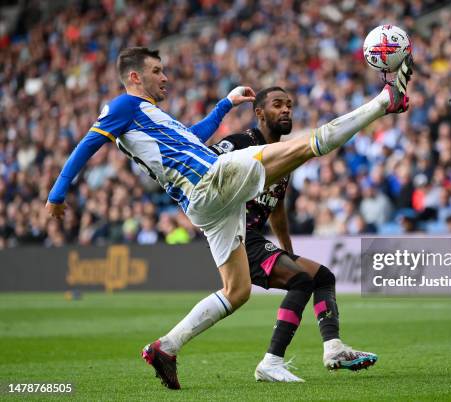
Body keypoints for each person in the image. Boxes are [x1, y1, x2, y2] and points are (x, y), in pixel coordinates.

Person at [45, 47, 413, 390]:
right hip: (211, 180)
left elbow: (192, 138)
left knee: (237, 292)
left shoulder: (149, 115)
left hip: (206, 203)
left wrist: (224, 104)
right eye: (157, 71)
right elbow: (87, 144)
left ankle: (166, 347)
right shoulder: (124, 105)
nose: (165, 77)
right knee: (304, 146)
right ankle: (384, 101)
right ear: (135, 77)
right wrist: (57, 194)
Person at [210, 87, 375, 382]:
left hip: (255, 239)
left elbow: (277, 208)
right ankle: (271, 363)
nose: (286, 110)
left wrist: (287, 250)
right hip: (235, 235)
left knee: (323, 276)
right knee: (301, 280)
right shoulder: (239, 143)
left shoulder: (284, 157)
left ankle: (333, 347)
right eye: (277, 105)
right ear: (259, 113)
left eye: (289, 105)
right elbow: (204, 169)